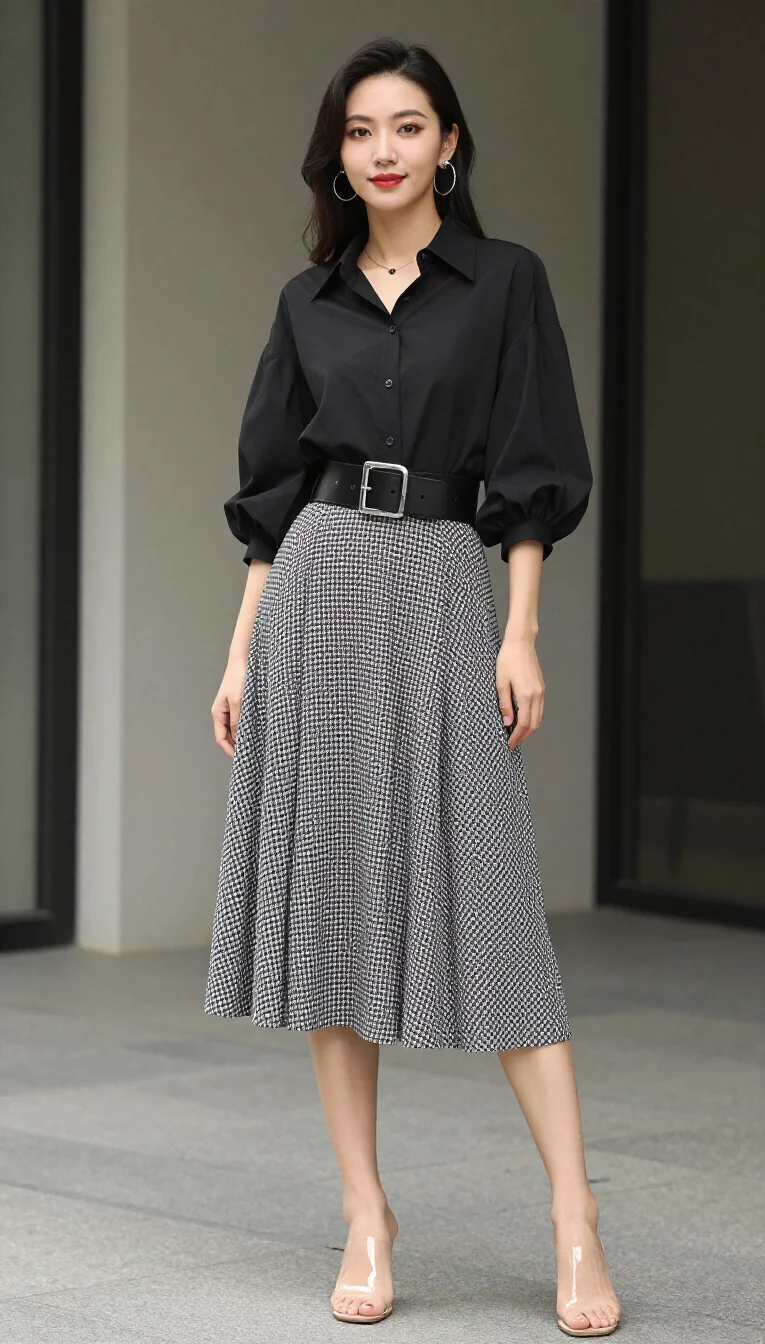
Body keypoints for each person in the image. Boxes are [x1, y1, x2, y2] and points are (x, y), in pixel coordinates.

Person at [206, 36, 621, 1338]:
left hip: (446, 584)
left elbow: (536, 459)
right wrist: (237, 652)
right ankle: (368, 1216)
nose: (384, 148)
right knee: (333, 927)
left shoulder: (504, 284)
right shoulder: (307, 302)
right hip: (319, 592)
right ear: (338, 152)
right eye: (361, 130)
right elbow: (274, 497)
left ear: (449, 143)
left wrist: (524, 628)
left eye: (409, 125)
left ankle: (573, 1220)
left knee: (495, 904)